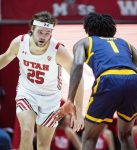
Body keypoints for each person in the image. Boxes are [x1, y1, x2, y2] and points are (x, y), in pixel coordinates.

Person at [57, 12, 137, 150]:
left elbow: (77, 65)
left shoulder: (85, 42)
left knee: (89, 137)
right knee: (126, 135)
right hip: (133, 81)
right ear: (112, 29)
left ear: (88, 29)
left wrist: (70, 99)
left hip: (108, 80)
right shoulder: (124, 43)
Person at [0, 11, 84, 150]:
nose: (43, 37)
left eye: (47, 33)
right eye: (40, 32)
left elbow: (78, 77)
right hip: (27, 93)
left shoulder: (58, 50)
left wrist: (79, 110)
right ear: (32, 29)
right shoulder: (19, 43)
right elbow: (5, 58)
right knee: (26, 132)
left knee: (43, 145)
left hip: (50, 99)